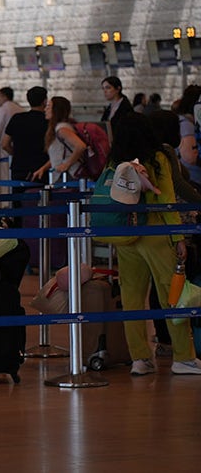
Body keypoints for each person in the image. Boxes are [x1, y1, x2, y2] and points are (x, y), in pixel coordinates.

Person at [108, 113, 201, 376]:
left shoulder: (115, 160)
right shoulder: (158, 157)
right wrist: (178, 236)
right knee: (172, 295)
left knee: (132, 298)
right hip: (156, 232)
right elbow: (168, 201)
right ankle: (183, 356)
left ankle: (139, 358)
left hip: (126, 234)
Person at [0, 86, 50, 184]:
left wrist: (18, 154)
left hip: (18, 167)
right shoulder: (48, 121)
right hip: (40, 167)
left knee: (18, 197)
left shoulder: (17, 118)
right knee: (40, 197)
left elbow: (5, 144)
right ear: (45, 101)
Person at [31, 96, 86, 181]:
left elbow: (80, 146)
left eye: (48, 107)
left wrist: (66, 164)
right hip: (62, 174)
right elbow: (59, 155)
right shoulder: (59, 128)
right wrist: (43, 168)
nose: (45, 109)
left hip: (68, 175)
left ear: (56, 110)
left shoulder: (62, 129)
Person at [0, 87, 22, 152]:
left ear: (5, 97)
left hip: (4, 147)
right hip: (19, 145)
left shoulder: (2, 110)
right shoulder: (20, 109)